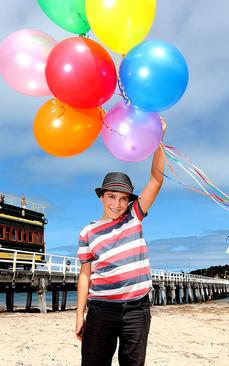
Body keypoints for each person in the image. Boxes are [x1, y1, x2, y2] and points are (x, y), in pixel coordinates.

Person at [75, 124, 166, 366]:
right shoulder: (87, 232)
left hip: (137, 309)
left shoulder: (134, 217)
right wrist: (79, 315)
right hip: (100, 309)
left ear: (129, 201)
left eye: (123, 198)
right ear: (101, 197)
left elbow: (156, 180)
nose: (117, 203)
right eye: (112, 197)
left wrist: (158, 140)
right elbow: (85, 276)